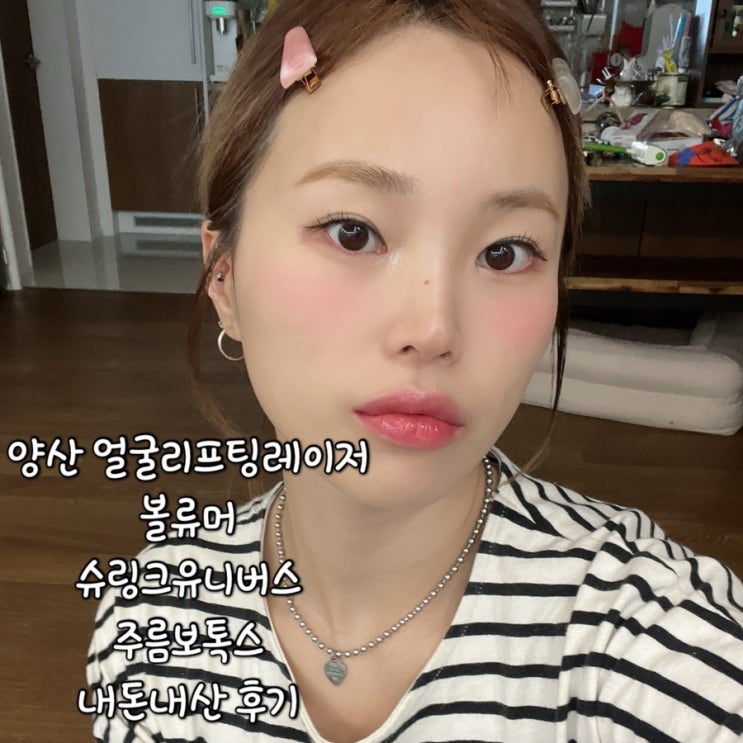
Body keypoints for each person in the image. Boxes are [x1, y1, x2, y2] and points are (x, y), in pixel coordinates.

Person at [85, 1, 743, 741]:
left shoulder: (656, 639)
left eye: (504, 252)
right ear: (224, 276)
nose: (433, 330)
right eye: (353, 232)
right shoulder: (147, 622)